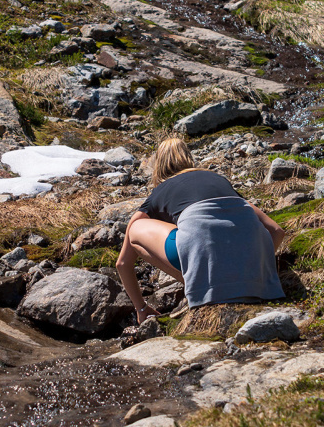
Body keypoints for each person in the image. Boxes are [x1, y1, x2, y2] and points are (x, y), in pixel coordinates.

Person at [116, 138, 286, 322]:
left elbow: (123, 263)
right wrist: (257, 267)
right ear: (189, 158)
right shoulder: (219, 180)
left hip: (209, 282)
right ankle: (240, 280)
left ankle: (204, 284)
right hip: (260, 282)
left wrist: (141, 308)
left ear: (158, 166)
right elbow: (276, 230)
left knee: (136, 229)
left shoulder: (161, 190)